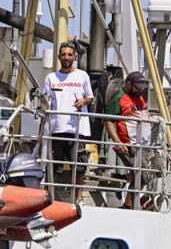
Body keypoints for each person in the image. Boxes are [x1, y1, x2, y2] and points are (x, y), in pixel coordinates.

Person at [42, 42, 94, 202]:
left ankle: (78, 198)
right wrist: (41, 132)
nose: (66, 57)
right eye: (63, 54)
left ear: (75, 57)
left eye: (69, 54)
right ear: (58, 56)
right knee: (52, 165)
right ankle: (48, 197)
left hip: (77, 129)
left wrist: (83, 102)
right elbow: (44, 103)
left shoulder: (82, 75)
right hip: (56, 128)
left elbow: (91, 98)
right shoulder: (51, 78)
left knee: (78, 165)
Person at [104, 71, 149, 208]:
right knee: (140, 178)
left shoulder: (138, 96)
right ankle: (127, 206)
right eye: (137, 86)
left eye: (142, 86)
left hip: (144, 144)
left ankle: (134, 198)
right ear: (129, 84)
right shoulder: (118, 98)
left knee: (152, 172)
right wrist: (118, 142)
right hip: (128, 145)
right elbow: (109, 121)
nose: (140, 89)